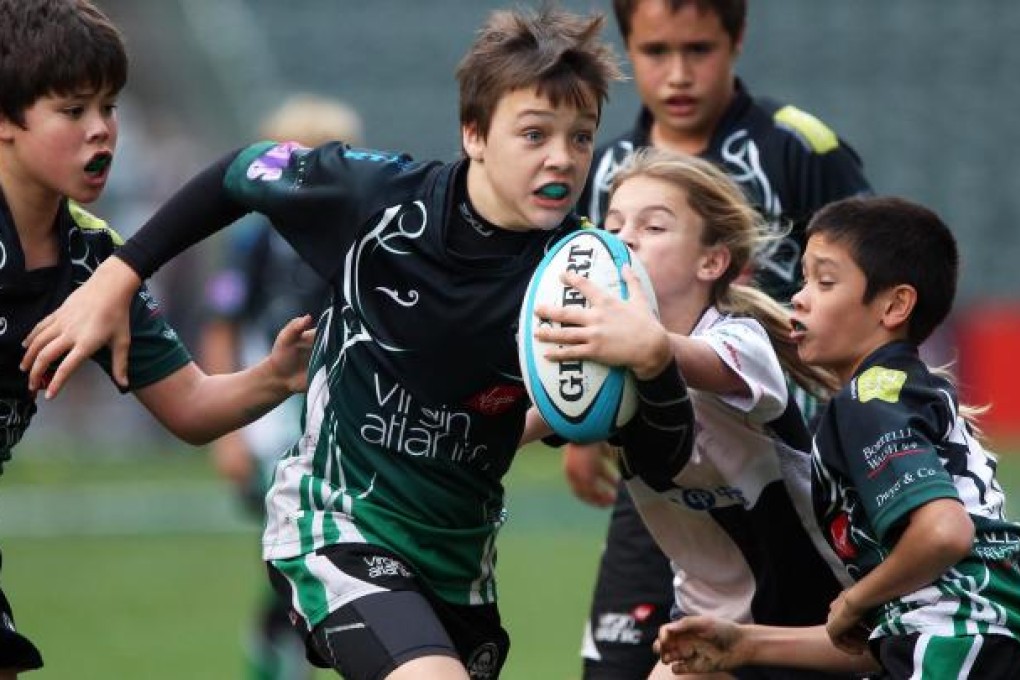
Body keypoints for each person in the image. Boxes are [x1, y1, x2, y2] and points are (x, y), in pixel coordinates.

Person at [19, 5, 623, 678]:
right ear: (474, 133)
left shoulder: (579, 271)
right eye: (536, 133)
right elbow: (242, 170)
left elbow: (571, 410)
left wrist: (596, 401)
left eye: (581, 138)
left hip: (459, 564)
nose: (561, 158)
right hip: (336, 529)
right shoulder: (381, 200)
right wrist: (118, 275)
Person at [0, 1, 313, 677]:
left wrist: (279, 375)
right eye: (74, 110)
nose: (101, 132)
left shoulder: (96, 261)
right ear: (5, 121)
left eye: (109, 109)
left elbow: (191, 406)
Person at [570, 2, 872, 676]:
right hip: (664, 459)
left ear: (736, 41)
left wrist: (865, 418)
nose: (678, 74)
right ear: (627, 51)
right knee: (622, 660)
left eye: (699, 49)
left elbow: (873, 282)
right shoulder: (610, 161)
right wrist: (579, 424)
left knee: (809, 638)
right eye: (655, 52)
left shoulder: (795, 145)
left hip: (781, 462)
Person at [654, 195, 1020, 679]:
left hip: (957, 651)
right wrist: (745, 644)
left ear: (894, 305)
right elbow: (900, 629)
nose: (800, 297)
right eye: (804, 279)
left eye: (825, 282)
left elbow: (944, 533)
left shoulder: (869, 401)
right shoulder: (902, 392)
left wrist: (855, 598)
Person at [535, 148, 856, 680]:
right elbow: (508, 429)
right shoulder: (606, 365)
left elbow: (670, 356)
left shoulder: (738, 341)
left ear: (712, 261)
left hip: (820, 629)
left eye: (654, 226)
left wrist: (636, 343)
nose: (626, 239)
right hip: (711, 629)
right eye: (613, 225)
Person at [200, 93, 364, 680]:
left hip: (341, 407)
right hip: (275, 415)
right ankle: (279, 649)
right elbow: (223, 326)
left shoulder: (362, 237)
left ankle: (289, 644)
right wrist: (229, 433)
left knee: (330, 546)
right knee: (301, 545)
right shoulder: (256, 240)